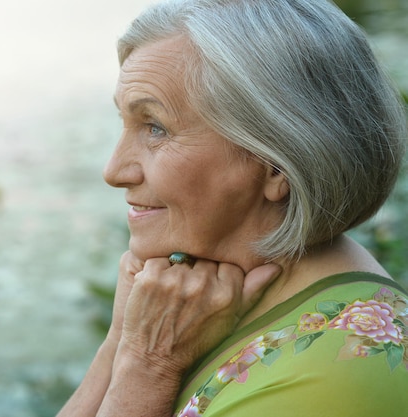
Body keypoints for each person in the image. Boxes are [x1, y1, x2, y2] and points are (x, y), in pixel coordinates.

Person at [57, 0, 408, 416]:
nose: (114, 171)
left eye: (155, 128)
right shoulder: (178, 307)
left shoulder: (330, 380)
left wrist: (148, 366)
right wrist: (123, 338)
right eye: (126, 123)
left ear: (277, 164)